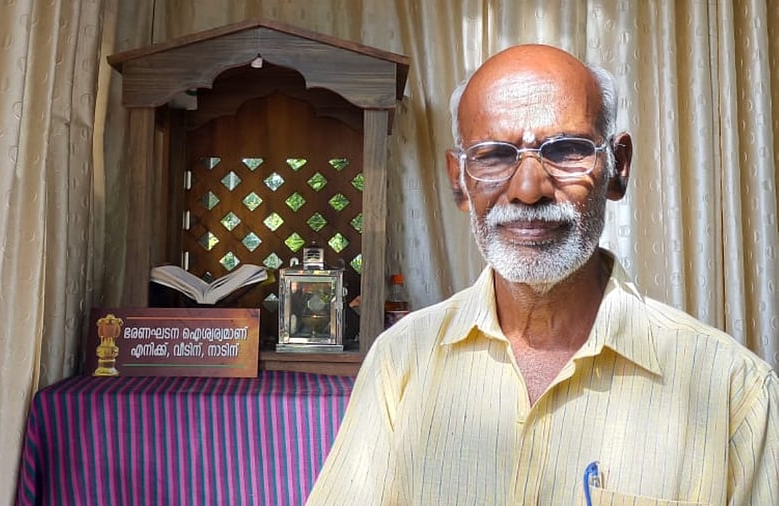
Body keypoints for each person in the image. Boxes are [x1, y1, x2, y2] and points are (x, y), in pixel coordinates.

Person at [306, 44, 778, 505]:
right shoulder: (402, 361)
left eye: (567, 150)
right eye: (493, 155)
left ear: (618, 167)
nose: (529, 189)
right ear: (459, 181)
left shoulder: (734, 392)